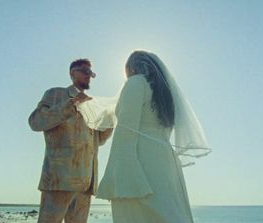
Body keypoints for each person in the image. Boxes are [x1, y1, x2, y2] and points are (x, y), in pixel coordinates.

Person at [97, 50, 211, 223]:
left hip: (139, 158)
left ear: (132, 68)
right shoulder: (165, 94)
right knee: (166, 212)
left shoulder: (136, 83)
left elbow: (126, 128)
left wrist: (119, 173)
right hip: (164, 159)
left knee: (137, 212)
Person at [28, 58, 113, 223]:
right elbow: (35, 122)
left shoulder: (92, 105)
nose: (89, 76)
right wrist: (70, 105)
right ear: (72, 73)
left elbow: (97, 141)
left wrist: (110, 123)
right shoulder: (56, 94)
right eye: (85, 72)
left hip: (86, 183)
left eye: (92, 74)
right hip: (59, 179)